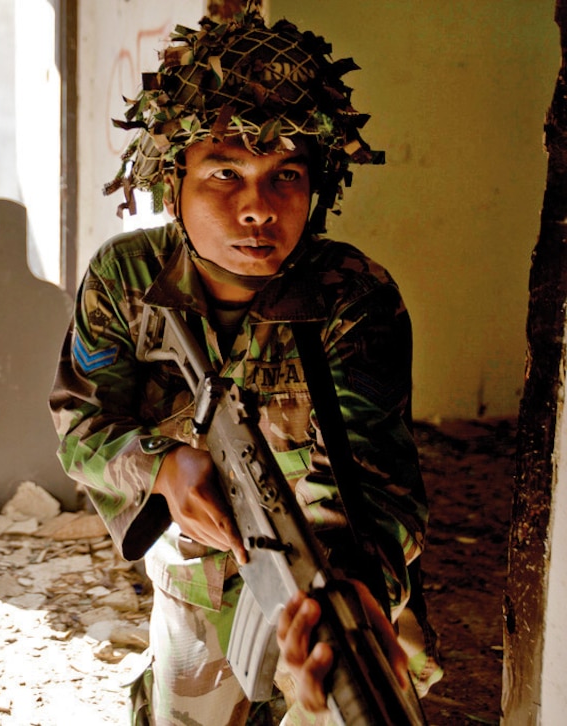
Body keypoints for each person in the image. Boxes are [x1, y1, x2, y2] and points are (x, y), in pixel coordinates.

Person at [49, 8, 441, 725]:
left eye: (285, 174)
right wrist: (159, 467)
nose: (257, 207)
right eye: (224, 172)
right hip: (194, 582)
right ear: (174, 181)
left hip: (323, 586)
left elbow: (384, 484)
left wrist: (358, 593)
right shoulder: (127, 276)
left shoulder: (354, 295)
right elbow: (81, 427)